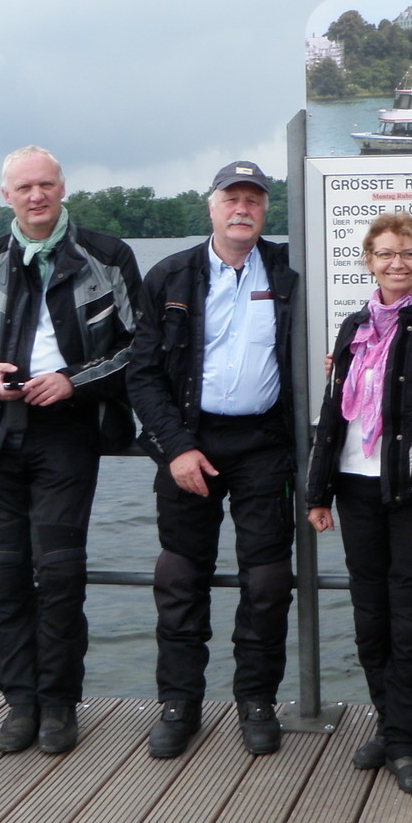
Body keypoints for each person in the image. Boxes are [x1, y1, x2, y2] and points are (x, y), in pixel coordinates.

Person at [0, 145, 141, 756]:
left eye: (46, 184)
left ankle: (58, 705)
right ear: (6, 195)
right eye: (24, 187)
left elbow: (140, 347)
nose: (36, 196)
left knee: (58, 571)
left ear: (62, 188)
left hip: (70, 432)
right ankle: (18, 703)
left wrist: (75, 378)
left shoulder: (107, 257)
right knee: (2, 575)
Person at [126, 160, 299, 759]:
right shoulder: (170, 276)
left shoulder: (290, 272)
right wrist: (176, 447)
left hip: (263, 446)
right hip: (188, 445)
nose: (242, 209)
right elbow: (142, 375)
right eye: (232, 198)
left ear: (265, 210)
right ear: (212, 206)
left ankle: (255, 700)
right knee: (179, 578)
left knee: (270, 580)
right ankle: (179, 703)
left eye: (254, 199)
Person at [304, 213, 412, 795]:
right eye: (384, 254)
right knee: (370, 620)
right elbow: (334, 414)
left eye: (406, 254)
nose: (396, 263)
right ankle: (392, 721)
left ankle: (405, 741)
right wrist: (318, 490)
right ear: (369, 261)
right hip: (356, 491)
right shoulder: (353, 328)